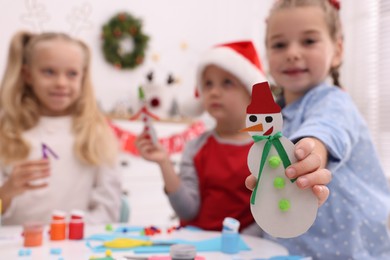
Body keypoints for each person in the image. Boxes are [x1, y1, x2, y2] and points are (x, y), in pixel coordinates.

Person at [136, 40, 331, 234]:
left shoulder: (270, 151)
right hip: (199, 245)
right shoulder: (195, 147)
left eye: (227, 82)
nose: (214, 91)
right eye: (208, 84)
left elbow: (273, 208)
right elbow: (187, 211)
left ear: (250, 93)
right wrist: (164, 163)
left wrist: (244, 244)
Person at [245, 0, 390, 259]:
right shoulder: (273, 120)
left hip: (351, 251)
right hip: (290, 250)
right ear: (267, 54)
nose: (292, 52)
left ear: (337, 50)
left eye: (309, 41)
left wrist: (309, 152)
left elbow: (326, 128)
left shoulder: (334, 100)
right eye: (279, 44)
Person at [0, 31, 122, 225]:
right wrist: (6, 192)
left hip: (77, 248)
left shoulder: (96, 132)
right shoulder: (5, 130)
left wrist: (71, 233)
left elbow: (108, 209)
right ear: (27, 75)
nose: (61, 83)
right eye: (49, 72)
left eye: (72, 74)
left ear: (83, 77)